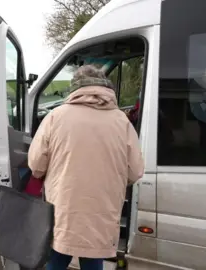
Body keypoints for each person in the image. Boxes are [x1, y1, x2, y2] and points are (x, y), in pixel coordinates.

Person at [28, 65, 144, 270]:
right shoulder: (121, 121)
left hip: (64, 208)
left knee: (58, 254)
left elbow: (36, 165)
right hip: (102, 210)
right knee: (93, 256)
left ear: (74, 88)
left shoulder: (55, 117)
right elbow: (135, 171)